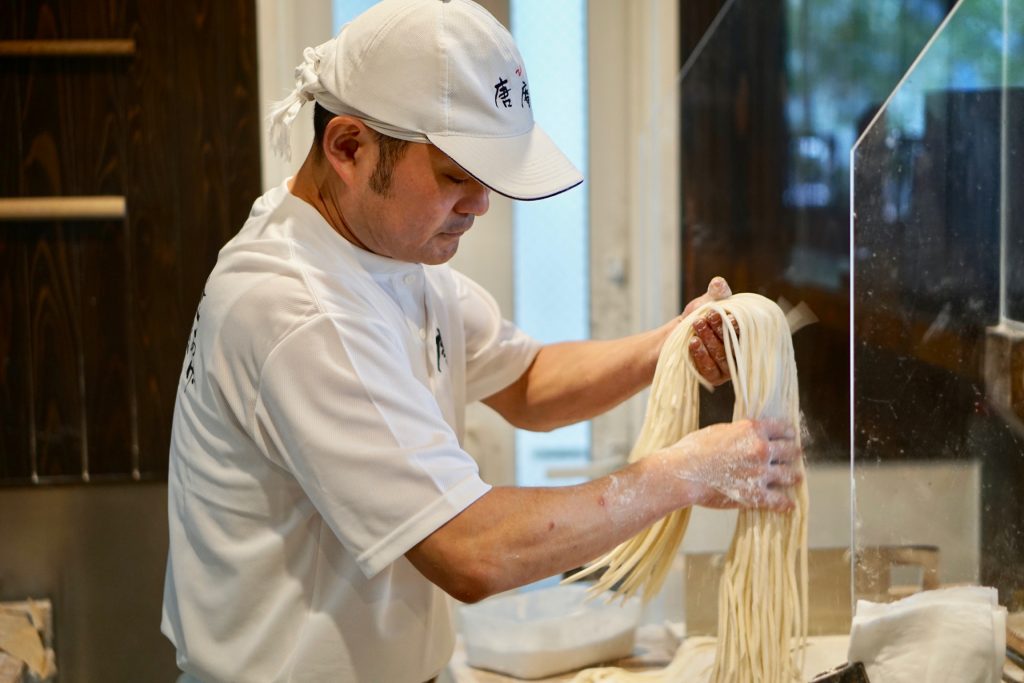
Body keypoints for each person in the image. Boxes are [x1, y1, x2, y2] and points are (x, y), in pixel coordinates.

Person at [160, 1, 802, 681]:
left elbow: (526, 382)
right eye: (453, 175)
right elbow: (472, 550)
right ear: (349, 148)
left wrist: (669, 345)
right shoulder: (295, 309)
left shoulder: (383, 252)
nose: (480, 204)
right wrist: (684, 472)